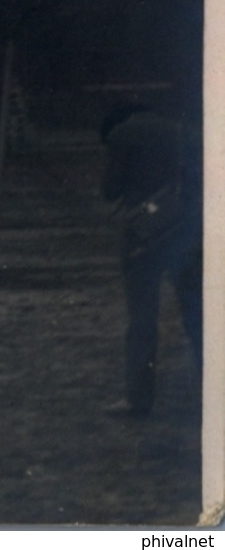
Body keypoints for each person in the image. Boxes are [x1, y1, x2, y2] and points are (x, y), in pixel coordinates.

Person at [99, 102, 202, 418]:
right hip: (184, 232)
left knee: (143, 320)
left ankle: (138, 399)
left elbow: (109, 190)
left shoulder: (122, 135)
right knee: (196, 316)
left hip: (142, 237)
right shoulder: (183, 131)